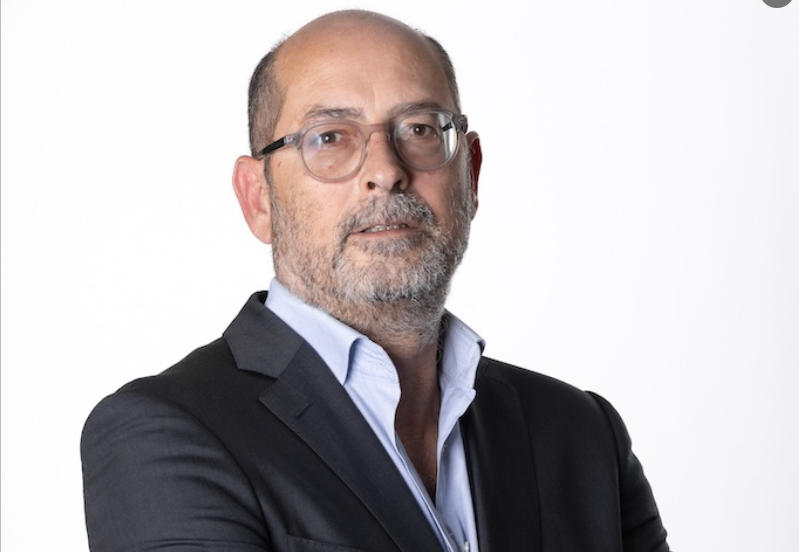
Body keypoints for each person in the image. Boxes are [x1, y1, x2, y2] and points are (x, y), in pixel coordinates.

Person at [81, 10, 670, 552]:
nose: (386, 170)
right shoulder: (167, 435)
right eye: (329, 137)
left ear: (470, 175)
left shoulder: (582, 434)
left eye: (419, 129)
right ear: (258, 198)